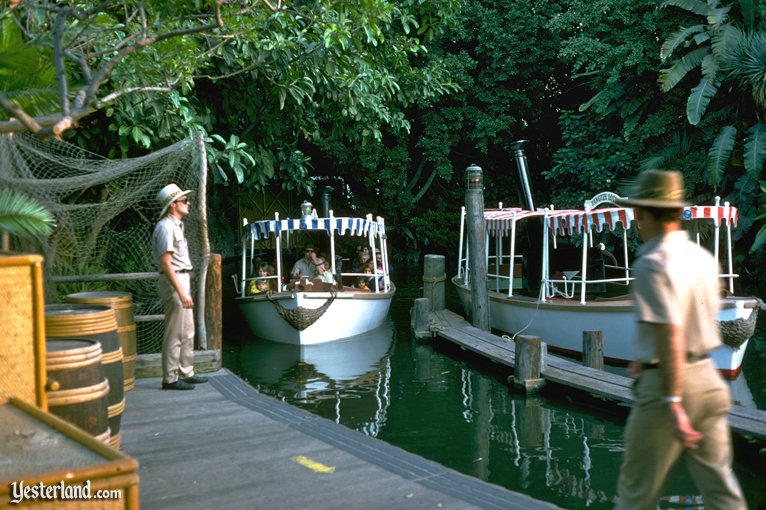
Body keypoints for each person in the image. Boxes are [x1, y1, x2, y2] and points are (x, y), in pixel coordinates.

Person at [614, 170, 745, 510]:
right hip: (709, 381)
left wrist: (672, 400)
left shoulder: (651, 262)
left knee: (635, 492)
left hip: (668, 388)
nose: (635, 220)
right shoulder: (701, 258)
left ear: (643, 212)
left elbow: (672, 332)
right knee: (721, 490)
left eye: (636, 212)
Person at [152, 183, 208, 390]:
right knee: (174, 332)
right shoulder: (165, 226)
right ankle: (170, 378)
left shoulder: (176, 224)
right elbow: (166, 263)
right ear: (173, 205)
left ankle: (186, 371)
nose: (188, 203)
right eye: (184, 201)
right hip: (174, 281)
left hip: (182, 279)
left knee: (187, 331)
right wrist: (181, 291)